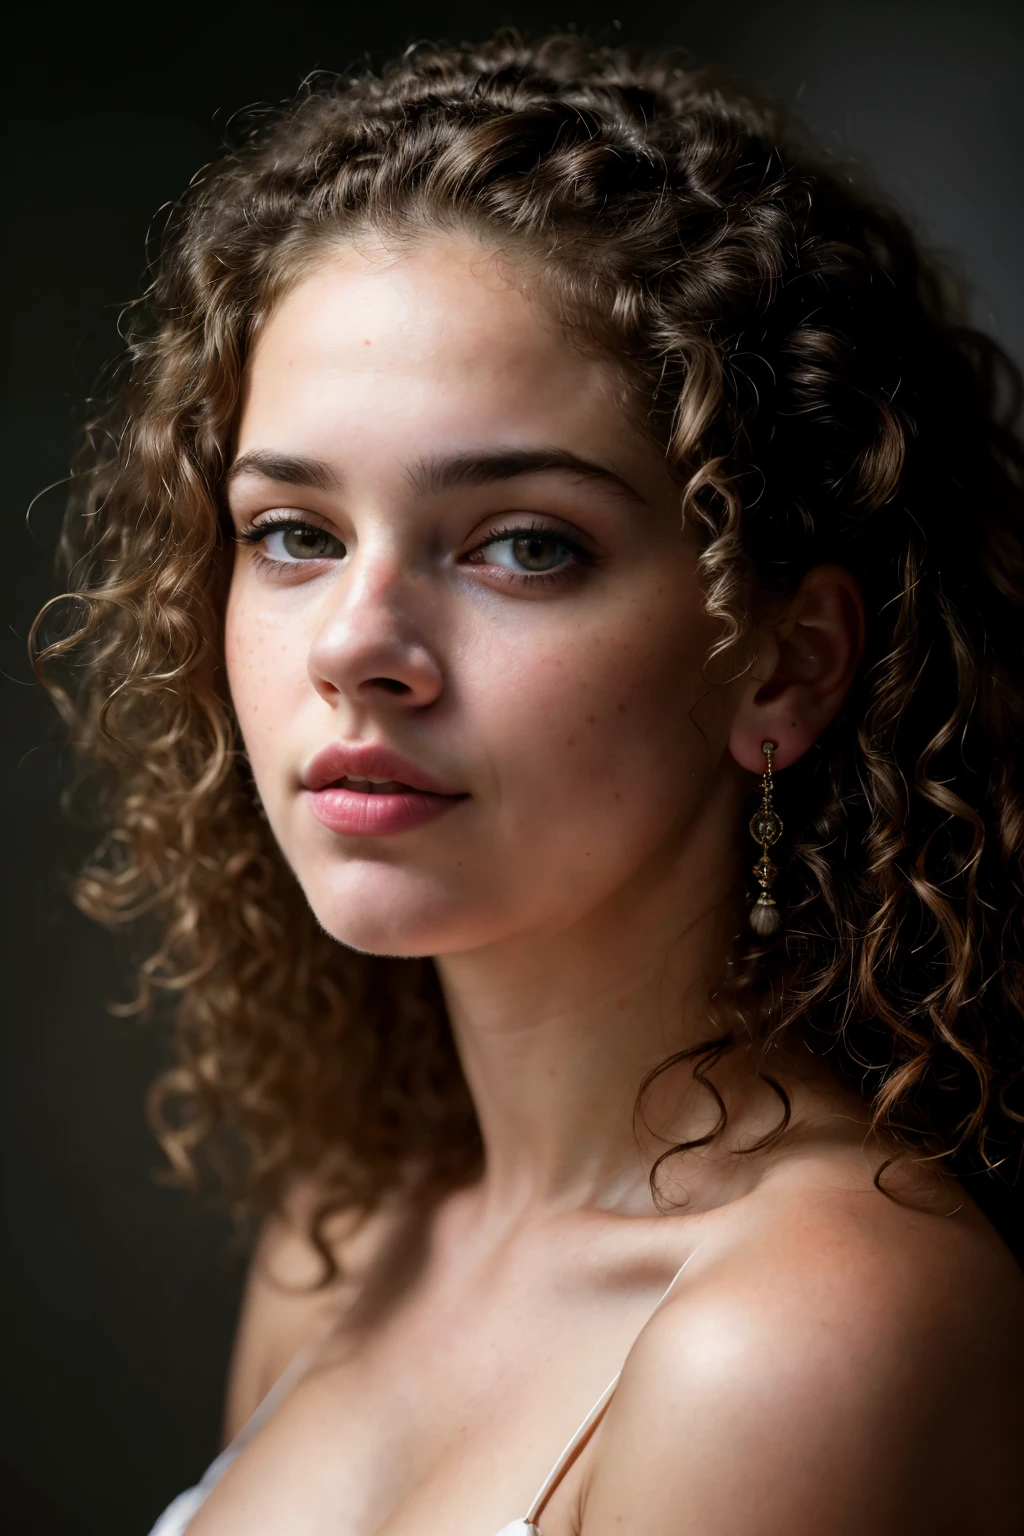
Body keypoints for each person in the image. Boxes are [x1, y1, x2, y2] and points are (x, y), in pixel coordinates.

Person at [32, 29, 1024, 1536]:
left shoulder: (805, 1335)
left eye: (522, 544)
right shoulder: (346, 1240)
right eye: (292, 530)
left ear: (784, 665)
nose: (358, 647)